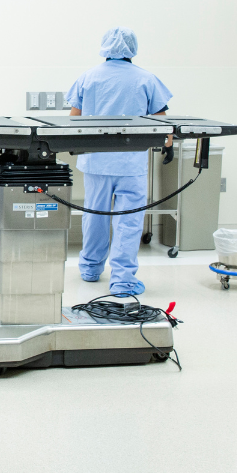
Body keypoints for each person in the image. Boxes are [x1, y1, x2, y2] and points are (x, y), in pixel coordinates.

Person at [66, 26, 173, 296]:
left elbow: (74, 120)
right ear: (132, 49)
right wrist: (167, 145)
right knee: (128, 221)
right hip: (131, 164)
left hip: (95, 163)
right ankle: (123, 281)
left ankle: (90, 269)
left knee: (96, 215)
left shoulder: (88, 78)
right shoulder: (146, 79)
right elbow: (161, 126)